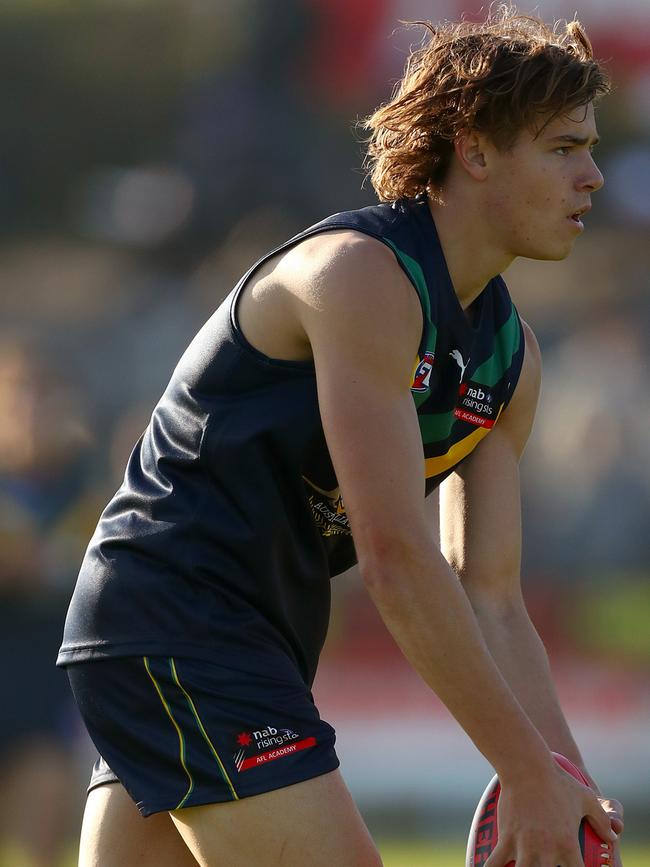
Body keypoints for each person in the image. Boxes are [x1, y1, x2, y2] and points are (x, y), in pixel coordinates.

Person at [58, 6, 625, 866]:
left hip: (239, 643)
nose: (594, 177)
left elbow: (494, 599)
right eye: (561, 148)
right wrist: (524, 770)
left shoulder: (511, 359)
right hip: (177, 620)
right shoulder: (361, 279)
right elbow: (396, 555)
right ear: (474, 150)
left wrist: (564, 782)